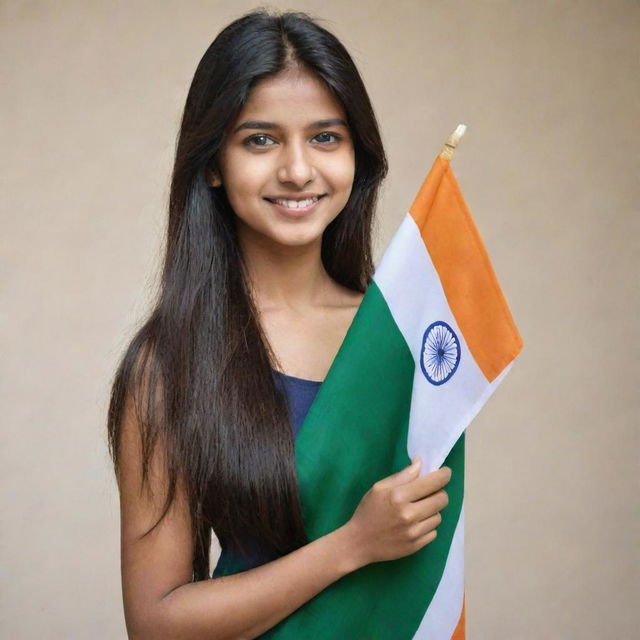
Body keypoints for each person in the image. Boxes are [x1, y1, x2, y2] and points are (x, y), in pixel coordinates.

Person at [106, 8, 452, 640]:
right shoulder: (170, 367)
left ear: (358, 156)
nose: (298, 170)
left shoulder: (407, 342)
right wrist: (350, 545)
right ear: (213, 164)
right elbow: (157, 623)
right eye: (260, 140)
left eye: (326, 137)